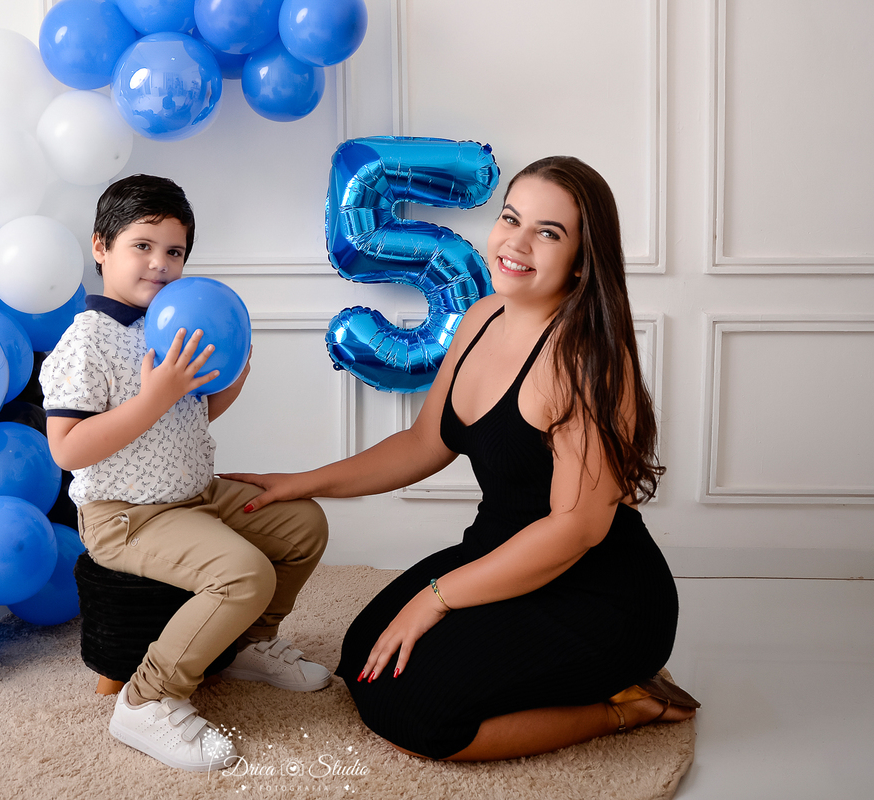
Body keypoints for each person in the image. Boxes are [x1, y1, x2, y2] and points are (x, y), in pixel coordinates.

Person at [224, 156, 699, 761]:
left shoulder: (587, 362)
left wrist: (436, 597)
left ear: (582, 259)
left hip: (599, 589)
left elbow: (575, 530)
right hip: (498, 551)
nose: (516, 243)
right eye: (511, 219)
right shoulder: (480, 317)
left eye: (548, 233)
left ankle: (624, 706)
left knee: (418, 713)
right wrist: (301, 482)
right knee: (365, 652)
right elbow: (424, 443)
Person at [41, 174, 331, 772]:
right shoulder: (87, 340)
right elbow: (67, 449)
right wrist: (153, 397)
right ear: (101, 247)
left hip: (194, 495)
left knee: (303, 525)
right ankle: (148, 700)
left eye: (174, 252)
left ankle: (247, 644)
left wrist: (232, 379)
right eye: (142, 246)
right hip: (127, 515)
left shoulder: (171, 321)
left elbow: (189, 415)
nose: (160, 263)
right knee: (244, 573)